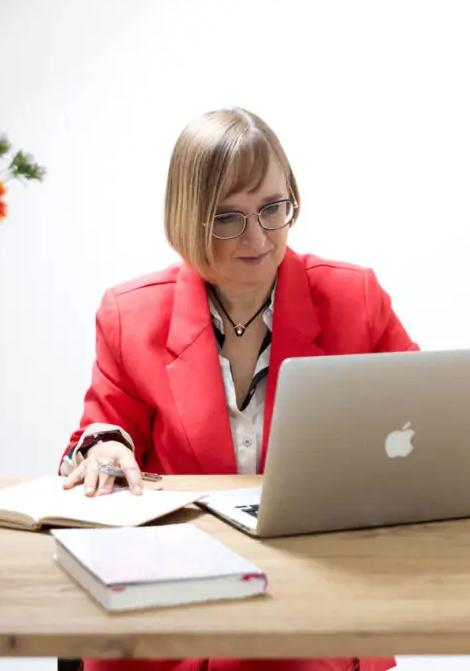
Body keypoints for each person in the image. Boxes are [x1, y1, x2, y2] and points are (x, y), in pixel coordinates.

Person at [59, 107, 419, 671]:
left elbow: (425, 423)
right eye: (228, 218)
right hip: (178, 601)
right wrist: (104, 448)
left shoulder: (356, 298)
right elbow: (102, 435)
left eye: (272, 208)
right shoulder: (131, 315)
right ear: (188, 220)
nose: (258, 237)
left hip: (317, 596)